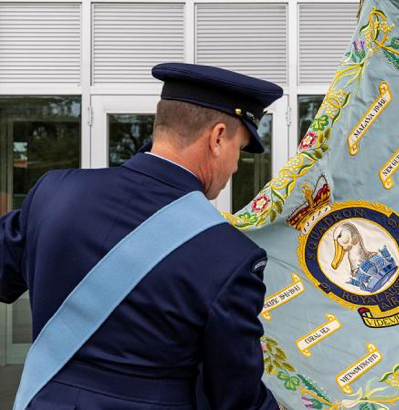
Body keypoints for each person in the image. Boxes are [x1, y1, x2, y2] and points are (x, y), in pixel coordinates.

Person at [0, 62, 282, 409]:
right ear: (218, 137)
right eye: (239, 149)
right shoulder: (231, 256)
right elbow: (237, 398)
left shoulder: (53, 194)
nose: (236, 166)